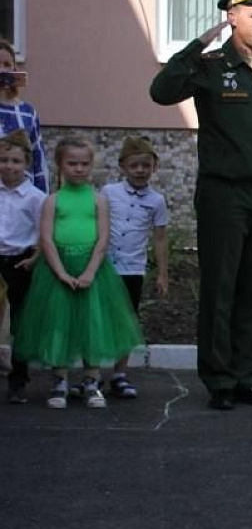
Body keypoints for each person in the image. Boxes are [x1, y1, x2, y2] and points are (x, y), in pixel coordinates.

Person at [149, 0, 252, 411]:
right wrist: (197, 45)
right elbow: (161, 91)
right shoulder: (211, 66)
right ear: (232, 16)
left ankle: (247, 375)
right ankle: (219, 379)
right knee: (221, 288)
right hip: (224, 194)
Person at [14, 138, 142, 409]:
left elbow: (103, 239)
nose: (79, 169)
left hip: (92, 271)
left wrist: (90, 271)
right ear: (60, 165)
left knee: (92, 324)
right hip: (57, 270)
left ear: (91, 166)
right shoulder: (52, 201)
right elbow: (46, 239)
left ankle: (91, 382)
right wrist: (60, 272)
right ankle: (59, 381)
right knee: (58, 323)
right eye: (72, 163)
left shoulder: (99, 200)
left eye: (84, 164)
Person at [99, 136, 170, 399]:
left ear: (154, 167)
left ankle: (119, 374)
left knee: (126, 321)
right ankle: (92, 375)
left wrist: (162, 273)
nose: (140, 170)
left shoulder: (156, 201)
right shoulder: (109, 193)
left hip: (132, 269)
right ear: (123, 167)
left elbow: (160, 238)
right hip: (104, 267)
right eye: (134, 165)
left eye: (146, 165)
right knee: (97, 318)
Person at [0, 130, 44, 404]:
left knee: (20, 320)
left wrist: (35, 257)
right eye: (3, 160)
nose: (9, 166)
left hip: (20, 261)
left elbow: (42, 232)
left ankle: (18, 379)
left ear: (26, 163)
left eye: (15, 161)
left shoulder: (35, 197)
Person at [0, 38, 49, 193]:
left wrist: (43, 198)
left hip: (22, 197)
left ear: (14, 70)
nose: (2, 70)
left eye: (7, 64)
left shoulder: (27, 112)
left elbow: (38, 159)